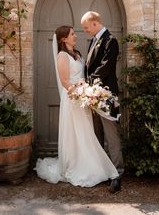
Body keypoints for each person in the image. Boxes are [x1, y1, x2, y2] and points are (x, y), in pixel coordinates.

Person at [35, 25, 119, 187]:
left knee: (87, 132)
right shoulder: (62, 56)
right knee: (76, 133)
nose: (76, 36)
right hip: (73, 99)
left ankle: (91, 164)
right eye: (72, 34)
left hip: (83, 99)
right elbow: (65, 81)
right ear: (63, 39)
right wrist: (80, 93)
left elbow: (84, 75)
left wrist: (86, 92)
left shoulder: (78, 55)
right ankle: (76, 165)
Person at [81, 11, 124, 193]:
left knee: (111, 134)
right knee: (96, 133)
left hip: (107, 95)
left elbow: (106, 65)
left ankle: (117, 173)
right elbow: (89, 65)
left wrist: (90, 82)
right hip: (93, 94)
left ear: (95, 23)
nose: (85, 31)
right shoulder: (93, 40)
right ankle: (101, 170)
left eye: (86, 27)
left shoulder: (110, 41)